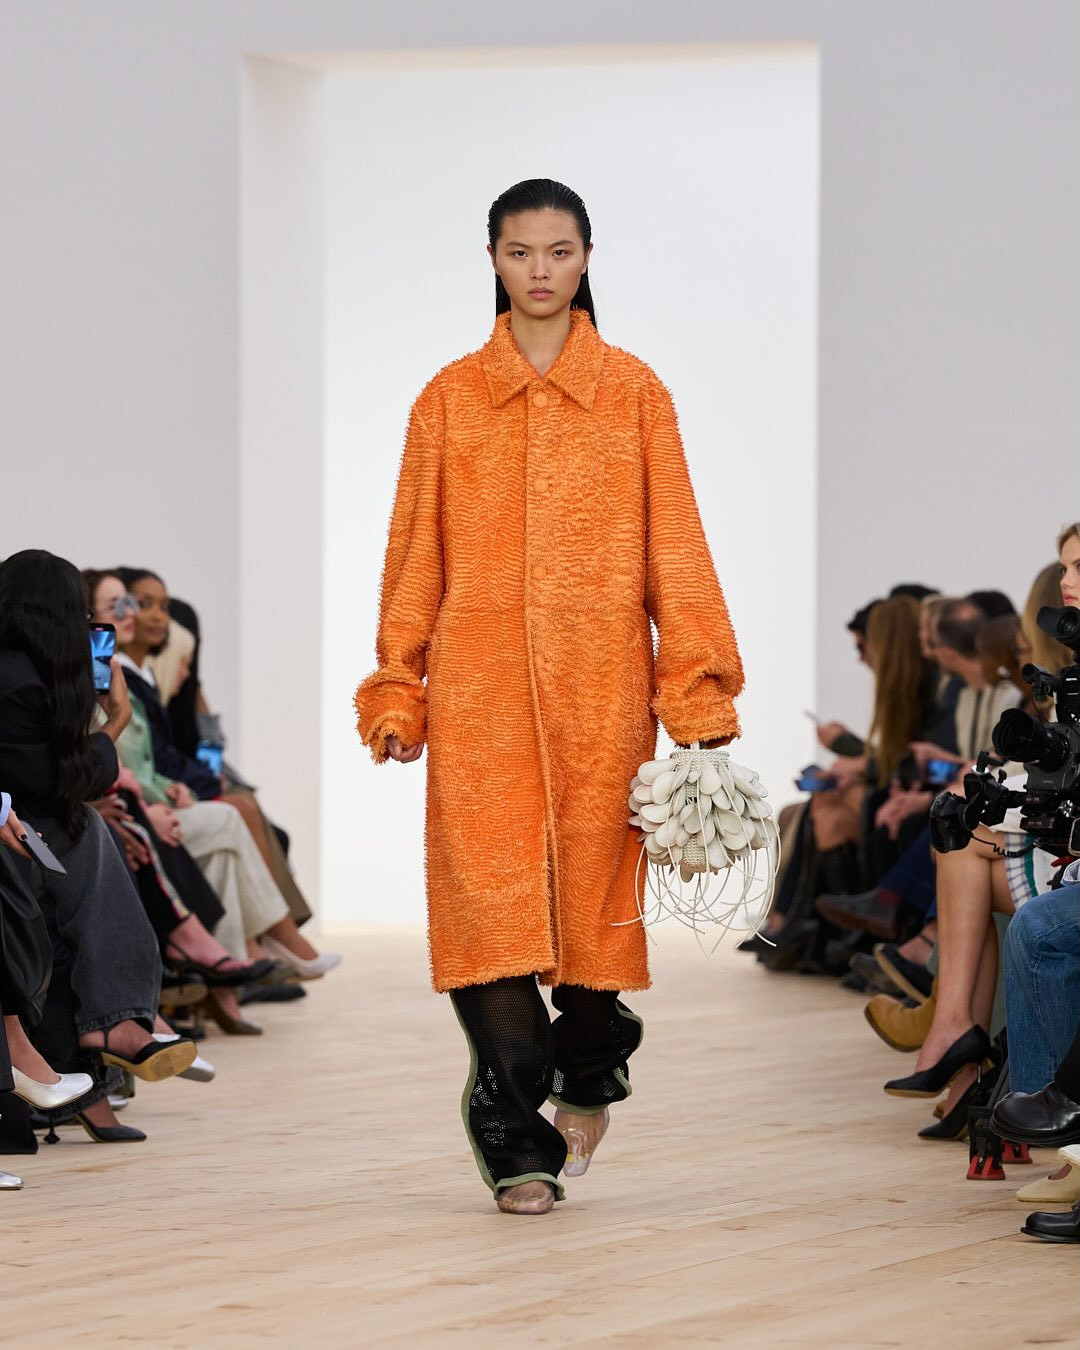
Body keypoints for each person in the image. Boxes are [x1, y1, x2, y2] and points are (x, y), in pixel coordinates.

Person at [355, 178, 744, 1216]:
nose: (540, 270)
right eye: (521, 251)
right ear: (491, 256)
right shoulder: (446, 399)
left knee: (591, 950)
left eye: (559, 251)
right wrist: (398, 686)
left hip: (599, 707)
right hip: (478, 709)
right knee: (488, 923)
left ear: (586, 258)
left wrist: (697, 701)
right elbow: (413, 556)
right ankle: (514, 1140)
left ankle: (596, 1059)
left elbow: (678, 552)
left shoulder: (635, 393)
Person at [0, 550, 196, 1142]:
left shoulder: (28, 673)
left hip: (30, 826)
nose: (87, 625)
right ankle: (122, 1022)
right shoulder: (16, 679)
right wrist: (115, 721)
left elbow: (55, 776)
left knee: (90, 836)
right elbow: (50, 778)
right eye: (81, 612)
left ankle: (119, 1029)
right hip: (20, 831)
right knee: (88, 838)